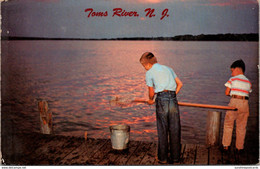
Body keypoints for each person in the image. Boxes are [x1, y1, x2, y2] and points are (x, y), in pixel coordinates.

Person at [139, 52, 183, 164]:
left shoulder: (149, 73)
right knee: (175, 129)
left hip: (161, 99)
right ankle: (175, 158)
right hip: (173, 98)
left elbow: (151, 92)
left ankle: (162, 158)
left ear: (148, 64)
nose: (144, 68)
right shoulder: (168, 68)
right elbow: (180, 84)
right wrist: (172, 96)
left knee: (162, 129)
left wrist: (150, 100)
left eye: (144, 66)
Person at [222, 59, 252, 152]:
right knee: (242, 126)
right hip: (245, 103)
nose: (231, 74)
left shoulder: (232, 79)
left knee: (228, 124)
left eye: (232, 71)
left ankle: (226, 146)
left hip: (234, 102)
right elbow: (248, 93)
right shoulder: (248, 82)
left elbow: (226, 92)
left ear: (238, 69)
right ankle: (239, 147)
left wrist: (232, 94)